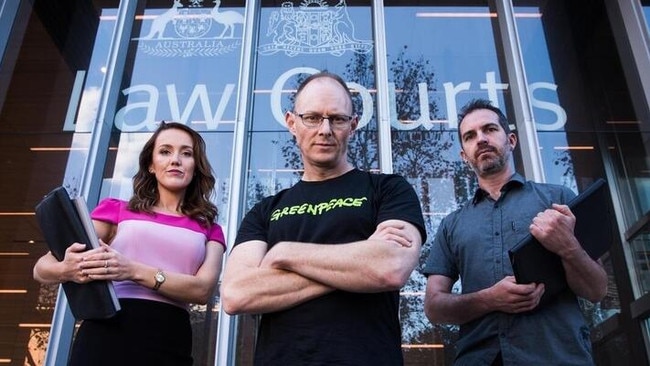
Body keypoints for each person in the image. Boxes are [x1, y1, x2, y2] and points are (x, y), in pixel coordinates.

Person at [221, 71, 427, 365]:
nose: (325, 129)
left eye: (338, 119)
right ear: (292, 122)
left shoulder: (388, 190)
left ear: (353, 126)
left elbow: (391, 267)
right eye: (313, 118)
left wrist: (284, 253)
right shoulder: (265, 211)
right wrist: (359, 266)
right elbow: (236, 294)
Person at [422, 99, 608, 365]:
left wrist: (568, 247)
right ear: (464, 155)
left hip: (557, 355)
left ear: (511, 140)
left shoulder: (558, 199)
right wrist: (489, 299)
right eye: (470, 136)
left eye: (490, 129)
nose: (482, 139)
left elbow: (597, 289)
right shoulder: (452, 224)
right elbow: (434, 307)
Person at [33, 122, 226, 366]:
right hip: (107, 333)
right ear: (150, 164)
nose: (175, 160)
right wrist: (68, 268)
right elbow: (41, 267)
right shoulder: (116, 209)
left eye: (186, 153)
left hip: (170, 338)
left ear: (196, 167)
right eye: (165, 151)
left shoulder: (210, 228)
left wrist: (132, 270)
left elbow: (203, 290)